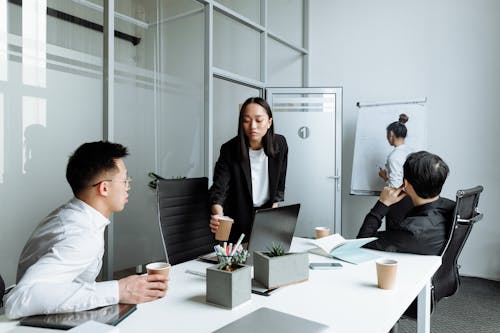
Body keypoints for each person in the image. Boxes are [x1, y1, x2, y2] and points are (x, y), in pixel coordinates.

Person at [5, 141, 168, 319]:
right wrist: (119, 290)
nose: (128, 187)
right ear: (104, 188)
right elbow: (18, 300)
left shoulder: (73, 215)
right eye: (125, 180)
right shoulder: (81, 234)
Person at [209, 97, 288, 244]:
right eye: (246, 120)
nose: (252, 126)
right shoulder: (229, 149)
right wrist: (219, 216)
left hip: (266, 217)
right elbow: (218, 190)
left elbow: (279, 186)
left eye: (259, 120)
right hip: (237, 217)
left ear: (269, 122)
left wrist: (273, 214)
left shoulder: (280, 144)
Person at [358, 151, 455, 255]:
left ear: (405, 183)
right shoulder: (453, 207)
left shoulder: (410, 231)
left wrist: (382, 203)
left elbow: (362, 241)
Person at [378, 113, 414, 188]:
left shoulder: (394, 157)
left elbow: (395, 188)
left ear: (391, 134)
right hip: (412, 196)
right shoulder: (412, 152)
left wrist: (384, 177)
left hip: (402, 198)